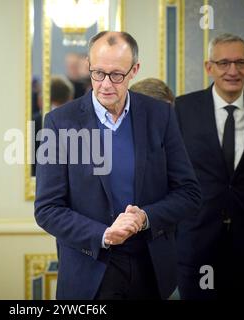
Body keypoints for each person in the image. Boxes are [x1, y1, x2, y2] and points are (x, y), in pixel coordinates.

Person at [34, 31, 201, 300]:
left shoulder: (161, 115)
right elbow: (47, 209)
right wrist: (104, 234)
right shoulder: (59, 122)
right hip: (89, 272)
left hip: (152, 270)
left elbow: (189, 193)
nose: (105, 84)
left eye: (116, 75)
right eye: (97, 73)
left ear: (134, 70)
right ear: (88, 66)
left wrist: (144, 218)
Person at [175, 33, 244, 300]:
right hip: (195, 244)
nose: (232, 71)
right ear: (208, 67)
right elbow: (168, 178)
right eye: (223, 63)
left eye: (239, 62)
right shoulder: (182, 109)